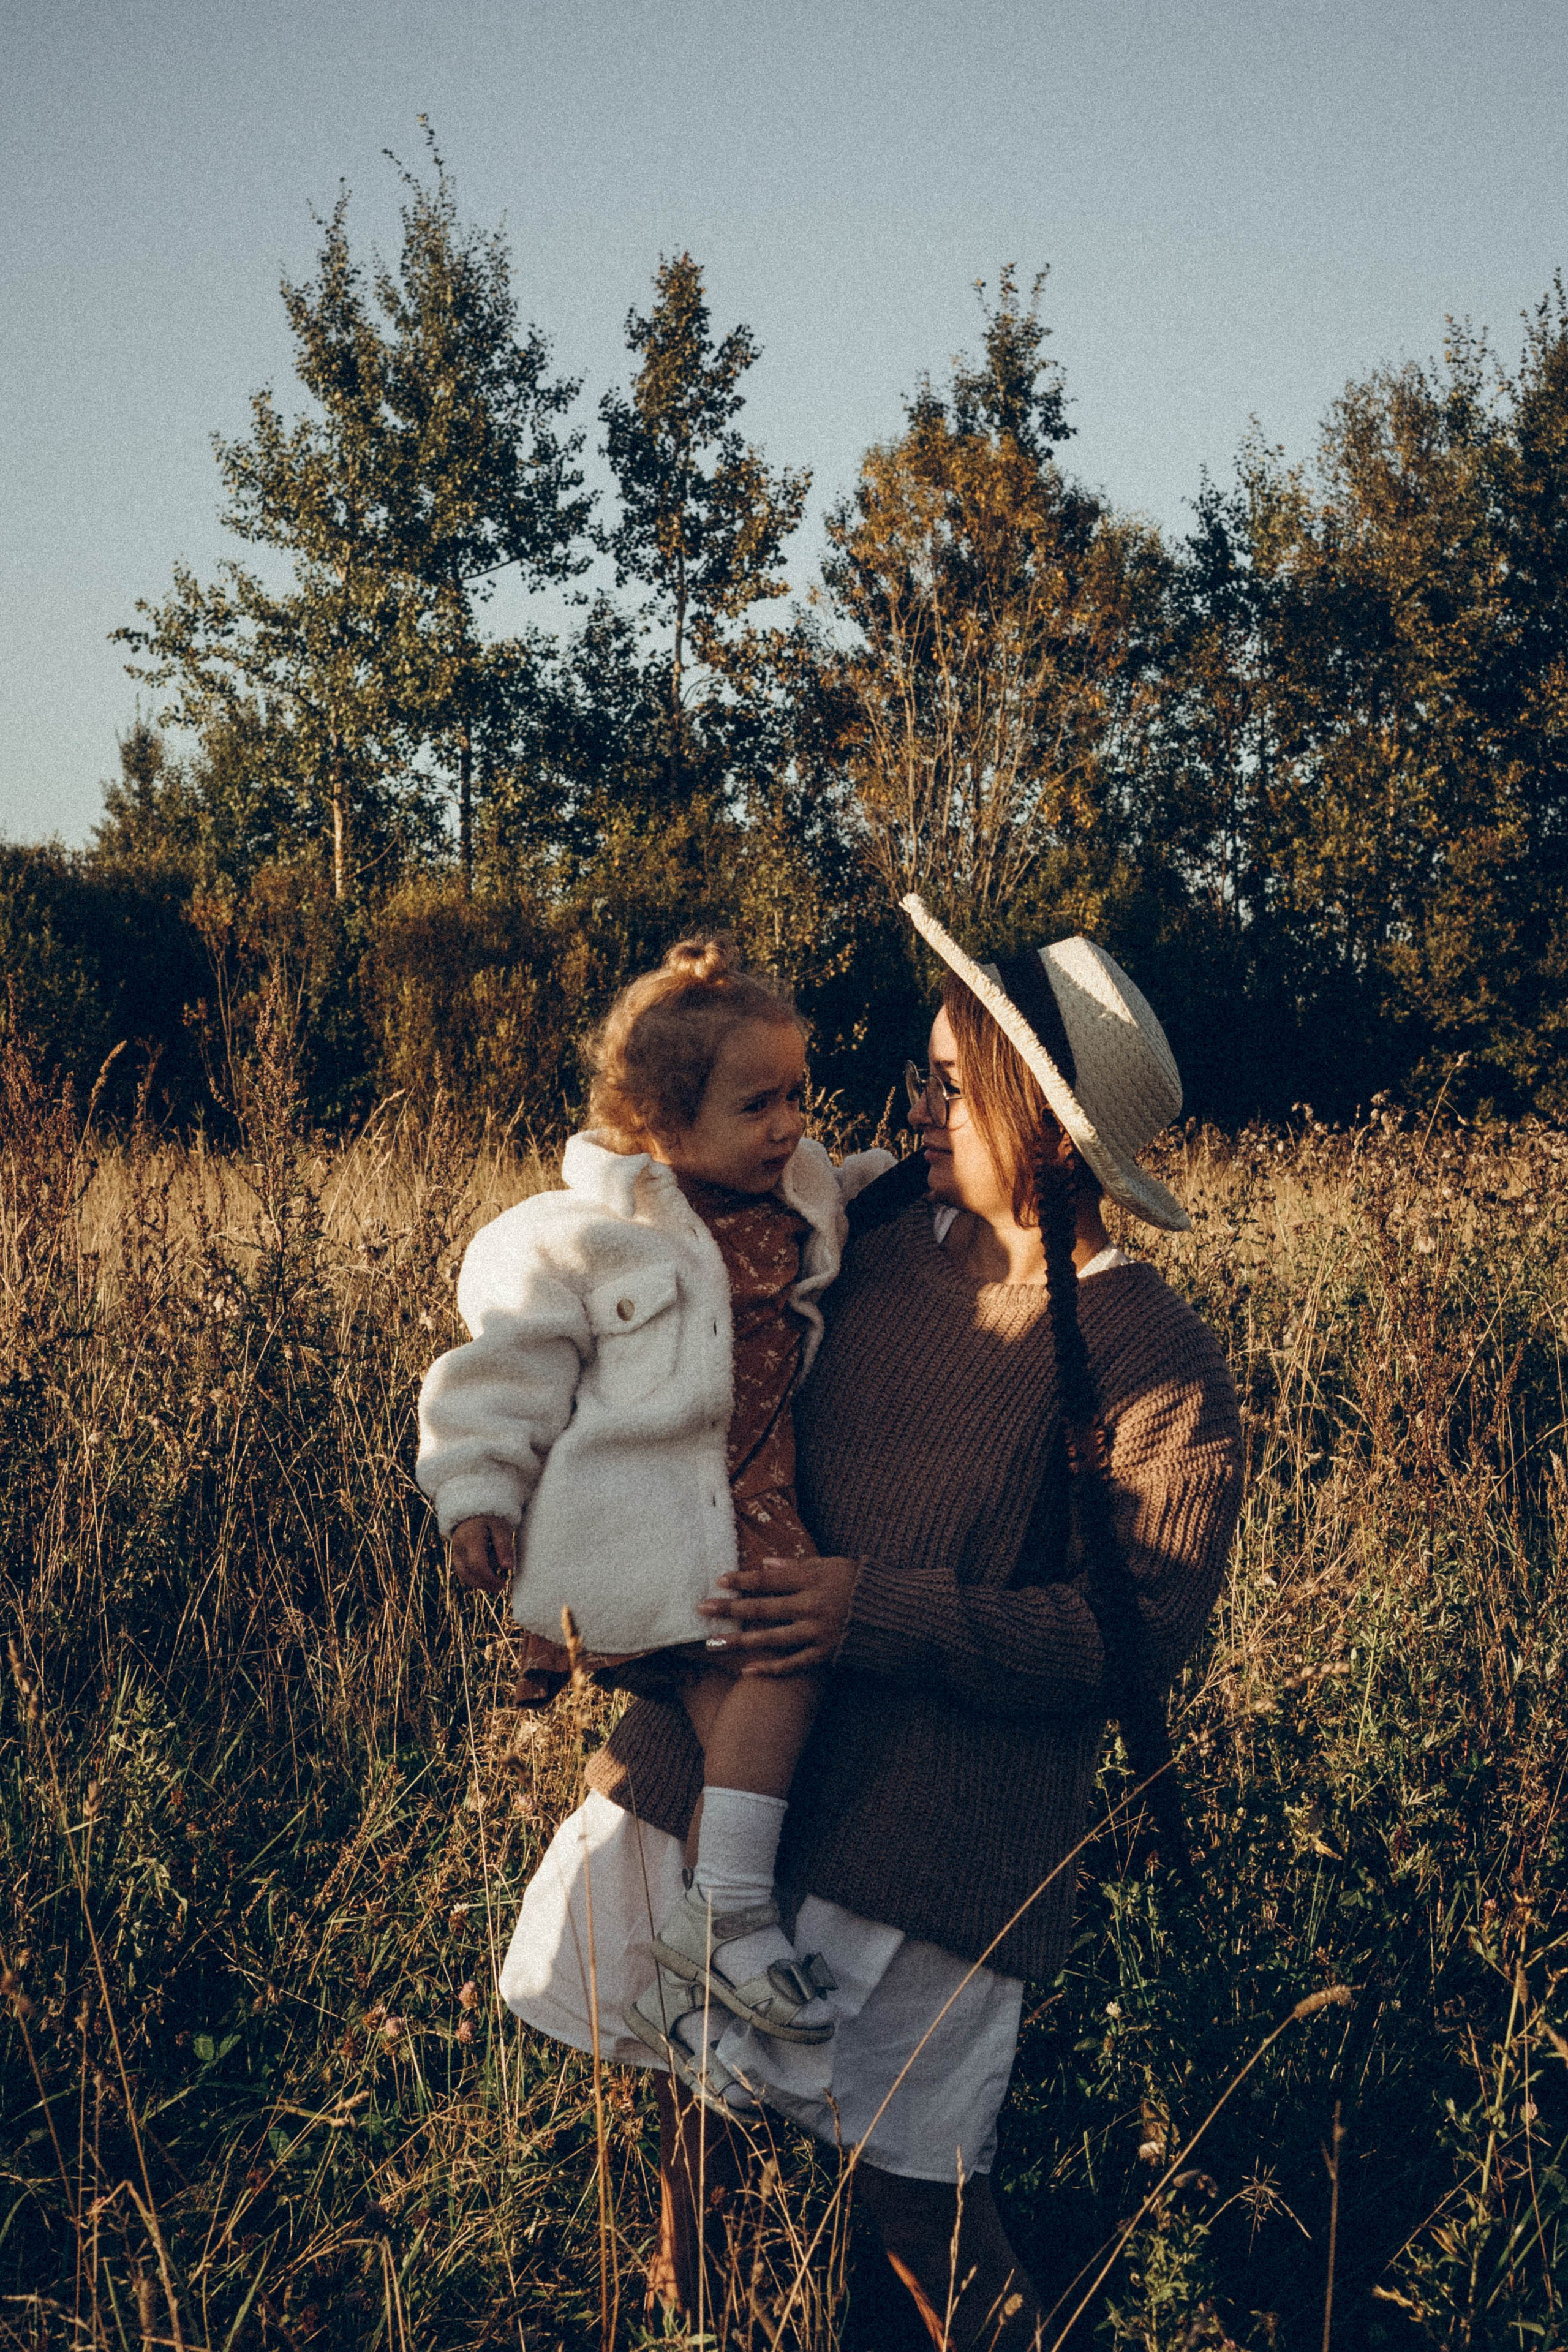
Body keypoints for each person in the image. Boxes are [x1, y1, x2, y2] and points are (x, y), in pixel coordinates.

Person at [501, 898, 1244, 2346]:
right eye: (918, 1080)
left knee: (920, 2201)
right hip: (726, 1779)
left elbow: (1130, 1637)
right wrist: (559, 1555)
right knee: (695, 2145)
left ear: (1039, 1121)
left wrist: (874, 1611)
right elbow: (649, 1368)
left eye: (946, 1088)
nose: (910, 1109)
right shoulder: (866, 1235)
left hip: (932, 1837)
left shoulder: (1147, 1346)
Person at [417, 938, 892, 2105]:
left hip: (752, 1510)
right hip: (644, 1531)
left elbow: (863, 1175)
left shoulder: (801, 1186)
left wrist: (927, 1166)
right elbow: (502, 1372)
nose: (791, 1125)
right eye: (758, 1104)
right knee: (784, 1667)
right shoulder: (577, 1235)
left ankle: (700, 1969)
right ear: (661, 1122)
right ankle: (727, 1918)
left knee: (753, 1709)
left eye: (798, 1096)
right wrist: (476, 1490)